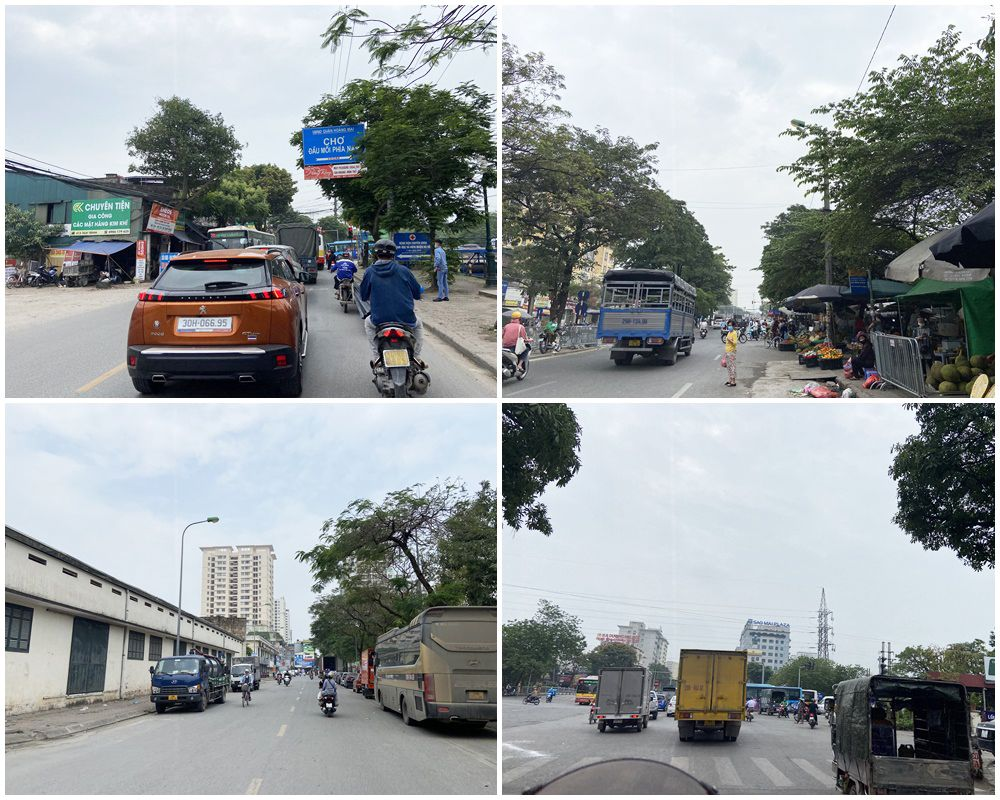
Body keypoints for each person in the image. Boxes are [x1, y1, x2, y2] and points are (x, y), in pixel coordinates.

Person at [359, 238, 425, 368]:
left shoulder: (369, 272)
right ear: (393, 254)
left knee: (367, 323)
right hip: (406, 319)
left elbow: (363, 295)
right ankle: (416, 357)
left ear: (376, 254)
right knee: (418, 325)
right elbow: (417, 293)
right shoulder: (404, 270)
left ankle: (377, 357)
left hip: (379, 319)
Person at [724, 321, 739, 387]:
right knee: (729, 367)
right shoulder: (729, 333)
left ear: (733, 326)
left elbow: (735, 343)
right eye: (728, 325)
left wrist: (730, 340)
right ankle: (730, 380)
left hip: (732, 352)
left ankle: (733, 381)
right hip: (728, 352)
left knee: (732, 366)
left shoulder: (734, 333)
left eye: (730, 325)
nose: (729, 326)